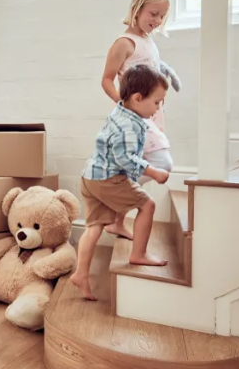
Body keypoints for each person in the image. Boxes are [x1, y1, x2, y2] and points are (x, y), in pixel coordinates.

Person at [71, 65, 171, 301]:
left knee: (94, 226)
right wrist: (153, 171)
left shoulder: (121, 110)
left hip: (91, 175)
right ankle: (139, 254)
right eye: (157, 103)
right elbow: (124, 158)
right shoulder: (130, 124)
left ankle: (81, 274)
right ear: (137, 98)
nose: (158, 108)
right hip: (108, 179)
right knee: (147, 205)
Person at [99, 0, 180, 241]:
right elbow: (107, 80)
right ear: (137, 8)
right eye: (152, 13)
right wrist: (125, 106)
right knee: (161, 162)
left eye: (161, 16)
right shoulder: (124, 43)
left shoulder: (149, 42)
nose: (157, 20)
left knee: (135, 164)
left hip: (153, 114)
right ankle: (115, 200)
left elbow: (151, 71)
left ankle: (118, 219)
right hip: (135, 118)